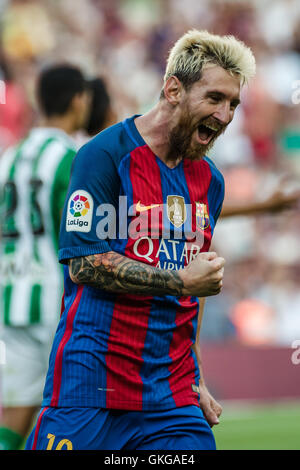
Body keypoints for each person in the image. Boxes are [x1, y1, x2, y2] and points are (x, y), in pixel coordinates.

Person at [25, 29, 256, 451]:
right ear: (173, 90)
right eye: (215, 99)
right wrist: (181, 281)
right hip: (91, 388)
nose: (225, 116)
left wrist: (197, 374)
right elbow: (84, 263)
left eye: (233, 104)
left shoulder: (211, 182)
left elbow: (194, 287)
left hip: (171, 397)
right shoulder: (104, 155)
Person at [0, 64, 91, 450]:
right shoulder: (73, 157)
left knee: (17, 410)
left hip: (10, 296)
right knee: (77, 408)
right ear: (78, 100)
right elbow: (75, 229)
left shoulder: (9, 157)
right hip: (56, 298)